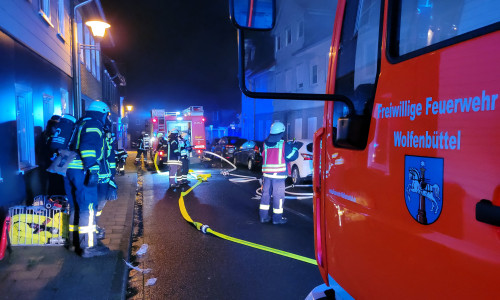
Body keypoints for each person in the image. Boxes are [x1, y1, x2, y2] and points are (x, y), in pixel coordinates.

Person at [64, 100, 111, 257]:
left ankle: (73, 242)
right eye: (106, 114)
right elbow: (88, 147)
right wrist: (92, 168)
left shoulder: (80, 123)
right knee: (88, 208)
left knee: (75, 207)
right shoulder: (94, 124)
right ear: (102, 113)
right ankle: (89, 247)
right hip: (82, 170)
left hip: (69, 169)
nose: (106, 118)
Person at [259, 122, 299, 225]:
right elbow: (292, 156)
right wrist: (295, 147)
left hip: (267, 175)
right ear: (281, 132)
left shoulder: (264, 144)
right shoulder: (283, 144)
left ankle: (263, 217)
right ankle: (277, 219)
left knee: (265, 196)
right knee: (278, 197)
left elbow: (261, 154)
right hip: (279, 176)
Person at [95, 117, 118, 240]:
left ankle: (94, 225)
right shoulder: (98, 137)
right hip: (98, 177)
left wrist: (112, 175)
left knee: (100, 204)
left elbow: (110, 157)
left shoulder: (105, 139)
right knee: (97, 203)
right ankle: (91, 227)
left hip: (103, 176)